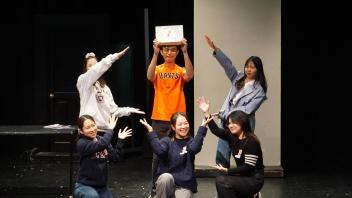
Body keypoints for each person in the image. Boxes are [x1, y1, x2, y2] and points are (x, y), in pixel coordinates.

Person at [204, 34, 267, 168]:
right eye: (247, 66)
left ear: (258, 70)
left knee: (242, 155)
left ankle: (248, 184)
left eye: (252, 67)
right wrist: (215, 48)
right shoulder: (238, 77)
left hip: (243, 125)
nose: (248, 69)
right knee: (222, 153)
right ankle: (223, 180)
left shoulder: (259, 91)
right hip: (226, 121)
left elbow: (247, 110)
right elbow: (227, 65)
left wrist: (227, 114)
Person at [146, 38, 194, 194]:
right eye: (166, 49)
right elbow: (149, 76)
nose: (169, 52)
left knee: (183, 153)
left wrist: (186, 52)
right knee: (157, 155)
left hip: (178, 120)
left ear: (177, 52)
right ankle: (155, 187)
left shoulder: (180, 70)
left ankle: (183, 183)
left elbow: (190, 75)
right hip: (160, 118)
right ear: (161, 51)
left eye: (173, 49)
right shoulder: (158, 69)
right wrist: (154, 54)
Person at [197, 96, 264, 198]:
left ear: (243, 123)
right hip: (242, 177)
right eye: (229, 123)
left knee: (222, 181)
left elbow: (248, 167)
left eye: (234, 123)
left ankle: (252, 193)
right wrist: (206, 112)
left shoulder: (251, 142)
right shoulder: (232, 137)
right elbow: (215, 130)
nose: (230, 125)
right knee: (221, 178)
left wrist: (227, 171)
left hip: (254, 180)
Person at [139, 112, 211, 198]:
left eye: (186, 123)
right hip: (167, 185)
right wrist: (151, 132)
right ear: (173, 127)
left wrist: (202, 128)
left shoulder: (191, 142)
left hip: (183, 186)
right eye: (180, 124)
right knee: (166, 177)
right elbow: (159, 151)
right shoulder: (167, 141)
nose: (183, 127)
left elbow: (194, 149)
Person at [77, 47, 145, 130]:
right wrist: (113, 57)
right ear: (85, 68)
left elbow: (113, 110)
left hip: (104, 130)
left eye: (95, 65)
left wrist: (128, 110)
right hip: (88, 129)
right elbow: (94, 71)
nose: (93, 68)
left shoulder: (105, 88)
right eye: (90, 66)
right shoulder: (83, 81)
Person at [74, 114, 132, 198]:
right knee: (92, 196)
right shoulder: (82, 143)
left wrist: (120, 140)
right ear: (81, 131)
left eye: (93, 125)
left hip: (101, 187)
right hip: (85, 186)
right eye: (88, 128)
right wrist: (110, 129)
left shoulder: (102, 140)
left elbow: (115, 158)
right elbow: (102, 144)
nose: (92, 129)